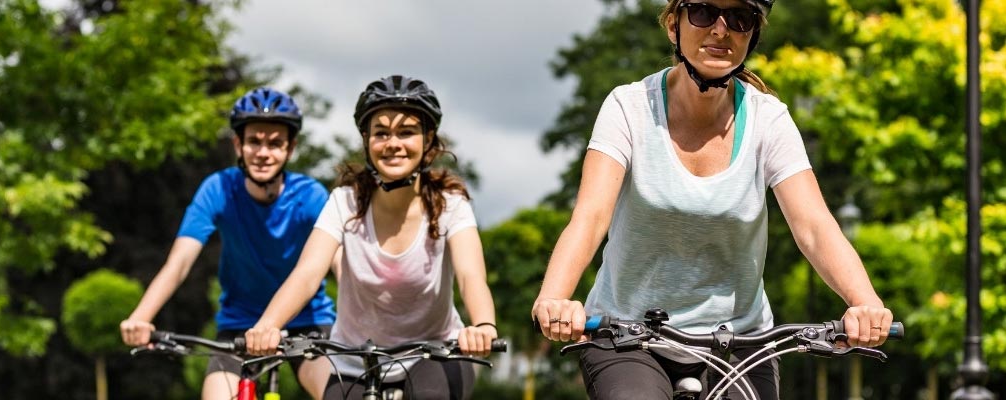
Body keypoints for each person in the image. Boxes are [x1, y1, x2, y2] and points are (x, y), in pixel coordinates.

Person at [530, 0, 895, 399]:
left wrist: (865, 303)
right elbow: (591, 216)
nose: (721, 29)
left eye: (740, 18)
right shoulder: (628, 107)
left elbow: (813, 226)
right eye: (703, 12)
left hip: (739, 341)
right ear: (674, 25)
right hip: (629, 335)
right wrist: (554, 297)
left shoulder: (768, 120)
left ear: (752, 34)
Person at [245, 75, 499, 400]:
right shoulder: (345, 202)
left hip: (435, 352)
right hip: (354, 359)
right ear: (367, 141)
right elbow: (308, 273)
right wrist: (268, 324)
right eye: (381, 133)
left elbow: (471, 276)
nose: (393, 143)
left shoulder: (450, 205)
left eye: (406, 132)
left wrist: (483, 327)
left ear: (428, 139)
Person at [120, 87, 336, 400]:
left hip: (309, 322)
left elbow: (339, 260)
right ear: (238, 144)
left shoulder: (310, 195)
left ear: (291, 149)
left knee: (341, 393)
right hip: (240, 324)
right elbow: (179, 262)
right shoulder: (218, 189)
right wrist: (141, 316)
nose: (263, 152)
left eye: (275, 143)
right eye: (254, 141)